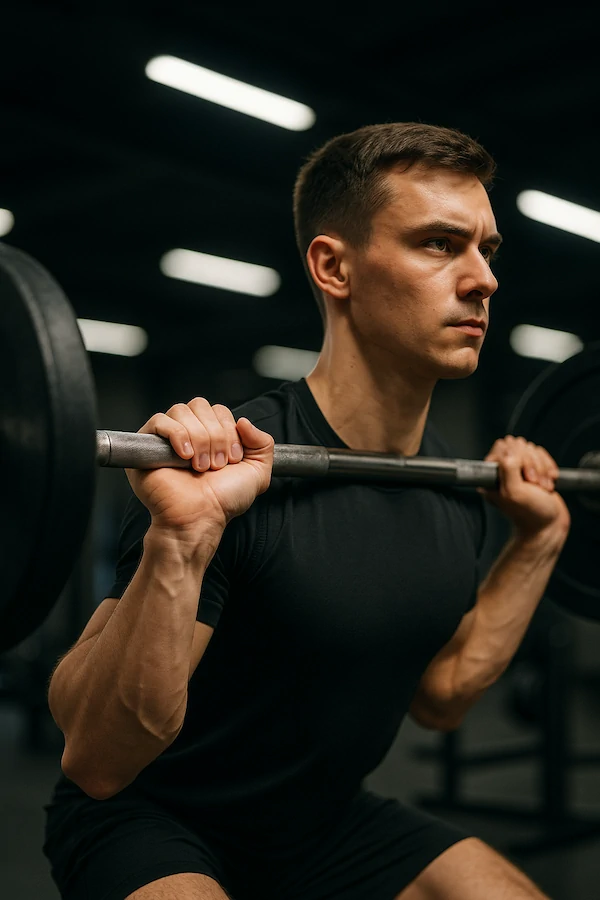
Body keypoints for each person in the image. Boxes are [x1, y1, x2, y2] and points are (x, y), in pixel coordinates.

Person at [43, 122, 570, 900]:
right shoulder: (227, 474)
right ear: (333, 267)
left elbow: (443, 697)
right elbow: (98, 760)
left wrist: (539, 539)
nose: (483, 279)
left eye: (486, 250)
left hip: (322, 823)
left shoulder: (454, 495)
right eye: (438, 244)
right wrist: (182, 539)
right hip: (154, 818)